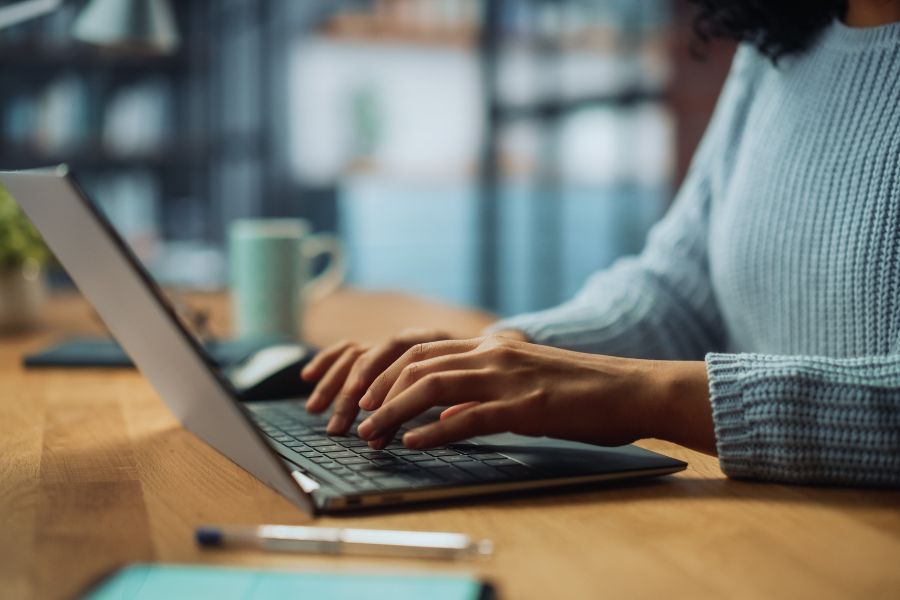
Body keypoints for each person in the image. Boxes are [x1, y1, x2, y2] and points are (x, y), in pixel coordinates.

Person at [300, 0, 900, 487]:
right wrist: (509, 351)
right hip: (760, 528)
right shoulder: (779, 43)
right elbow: (678, 288)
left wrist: (647, 396)